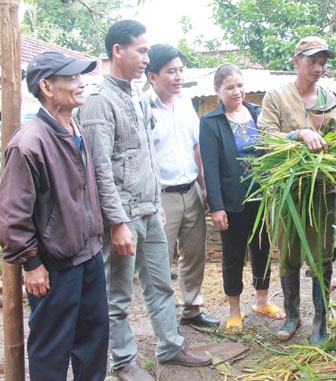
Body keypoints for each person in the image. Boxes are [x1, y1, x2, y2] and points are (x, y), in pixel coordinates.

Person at [77, 20, 211, 381]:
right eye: (141, 50)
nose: (146, 58)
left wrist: (155, 203)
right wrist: (117, 223)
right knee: (118, 296)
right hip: (123, 216)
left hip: (151, 211)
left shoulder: (136, 94)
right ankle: (123, 361)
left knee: (160, 284)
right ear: (118, 51)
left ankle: (170, 345)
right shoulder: (99, 103)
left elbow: (145, 156)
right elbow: (99, 169)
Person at [0, 52, 109, 380]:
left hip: (89, 254)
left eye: (81, 77)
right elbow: (12, 215)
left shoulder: (76, 128)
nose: (81, 83)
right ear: (47, 86)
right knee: (52, 348)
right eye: (72, 78)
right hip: (55, 265)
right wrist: (31, 264)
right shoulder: (29, 143)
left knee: (94, 339)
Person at [257, 36, 336, 343]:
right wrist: (299, 133)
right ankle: (292, 315)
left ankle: (320, 320)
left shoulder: (331, 99)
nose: (319, 68)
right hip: (288, 193)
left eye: (323, 63)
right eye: (312, 62)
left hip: (320, 192)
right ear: (296, 61)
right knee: (289, 254)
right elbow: (266, 136)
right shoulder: (276, 97)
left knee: (322, 254)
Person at [200, 63, 286, 334]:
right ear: (217, 90)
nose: (236, 92)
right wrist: (217, 206)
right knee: (233, 255)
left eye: (239, 85)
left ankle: (261, 301)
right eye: (229, 87)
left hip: (261, 196)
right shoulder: (211, 121)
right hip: (232, 199)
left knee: (262, 249)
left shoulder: (258, 113)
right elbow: (210, 166)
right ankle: (234, 311)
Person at [145, 43, 219, 329]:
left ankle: (191, 310)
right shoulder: (143, 107)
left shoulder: (186, 102)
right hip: (162, 196)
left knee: (194, 253)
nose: (177, 77)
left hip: (190, 190)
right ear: (153, 76)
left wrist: (204, 187)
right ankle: (162, 320)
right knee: (159, 260)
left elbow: (196, 147)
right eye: (170, 71)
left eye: (180, 70)